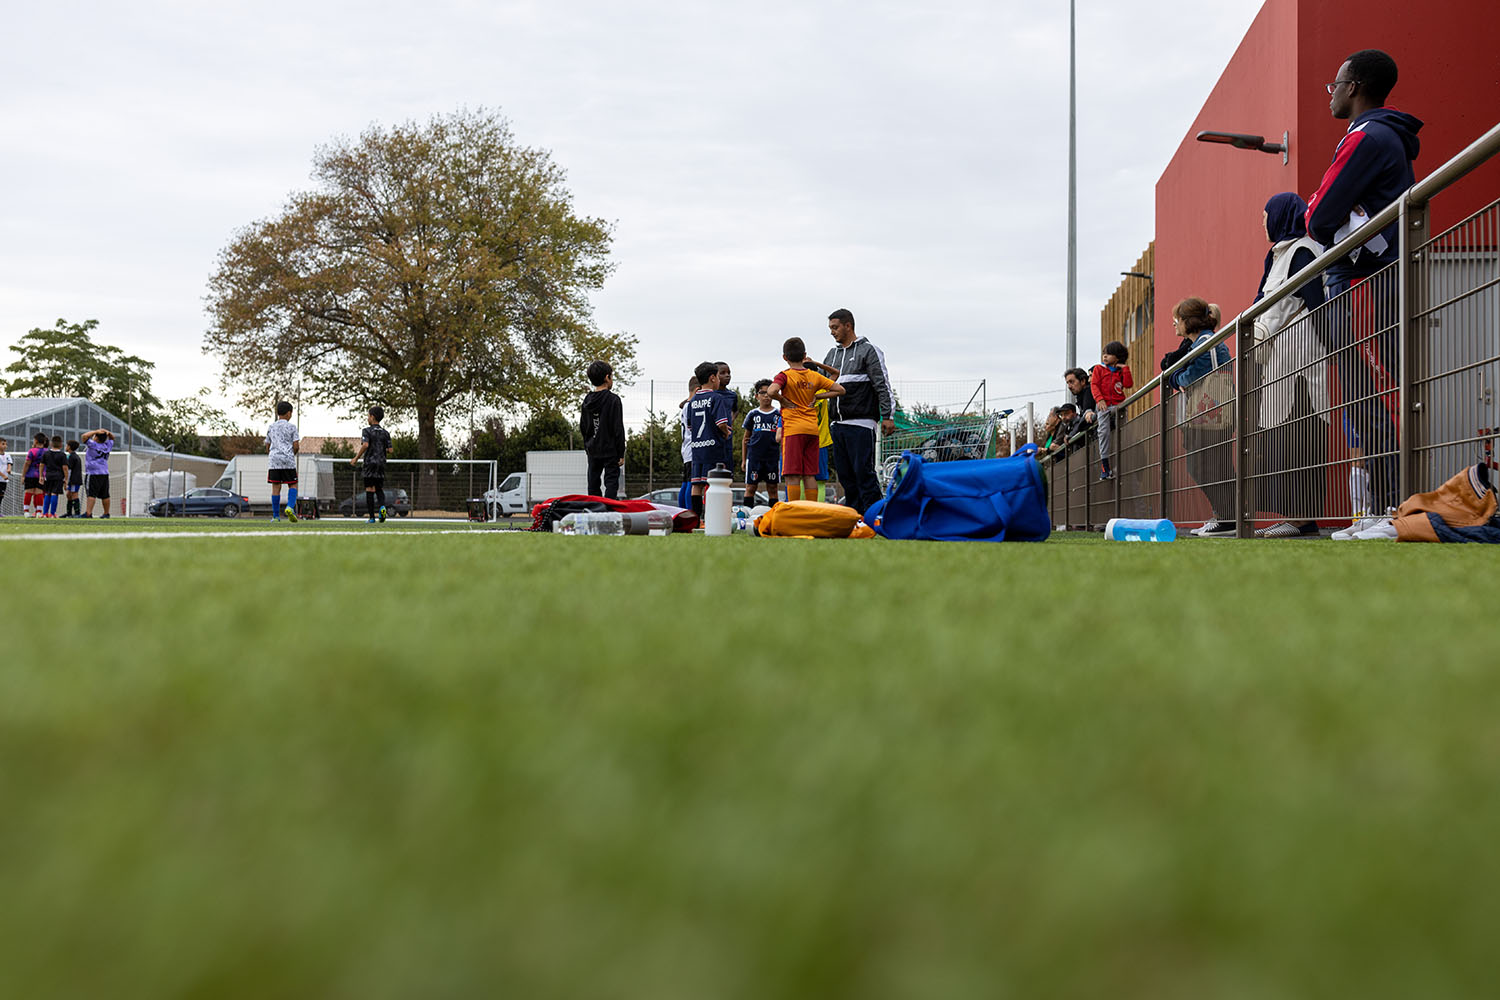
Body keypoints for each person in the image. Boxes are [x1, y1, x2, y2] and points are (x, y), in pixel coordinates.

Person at [1306, 48, 1422, 533]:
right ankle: (1382, 510)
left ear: (1353, 87)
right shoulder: (1377, 135)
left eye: (1334, 84)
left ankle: (1394, 512)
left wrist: (1330, 215)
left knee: (1374, 398)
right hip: (1363, 279)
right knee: (1367, 400)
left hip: (1362, 283)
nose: (1330, 93)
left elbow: (1317, 215)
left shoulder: (1367, 136)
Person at [1252, 192, 1329, 538]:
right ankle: (1295, 516)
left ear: (1281, 215)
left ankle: (1301, 517)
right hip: (1280, 359)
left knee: (1301, 429)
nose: (1262, 221)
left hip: (1300, 357)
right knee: (1283, 435)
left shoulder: (1301, 252)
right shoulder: (1279, 255)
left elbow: (1317, 303)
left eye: (1265, 214)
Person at [810, 308, 894, 515]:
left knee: (863, 473)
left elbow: (882, 384)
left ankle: (876, 516)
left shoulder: (869, 350)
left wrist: (888, 416)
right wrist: (806, 367)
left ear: (848, 325)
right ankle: (855, 517)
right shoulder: (832, 354)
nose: (832, 332)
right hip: (836, 425)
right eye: (830, 328)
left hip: (861, 422)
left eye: (835, 327)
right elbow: (819, 381)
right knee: (845, 476)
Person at [1166, 298, 1237, 537]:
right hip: (1212, 415)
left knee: (1207, 467)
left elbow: (1189, 377)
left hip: (1212, 417)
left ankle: (1228, 518)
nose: (1174, 324)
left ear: (1189, 322)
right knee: (1212, 466)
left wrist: (1174, 378)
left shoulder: (1205, 344)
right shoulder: (1205, 342)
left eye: (1178, 319)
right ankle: (1224, 515)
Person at [767, 337, 844, 503]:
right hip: (812, 431)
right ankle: (812, 511)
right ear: (804, 355)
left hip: (794, 430)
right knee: (810, 475)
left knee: (792, 474)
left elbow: (772, 391)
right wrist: (817, 395)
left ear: (784, 357)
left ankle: (794, 512)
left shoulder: (784, 376)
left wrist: (783, 401)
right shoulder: (814, 376)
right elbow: (840, 389)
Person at [684, 362, 731, 519]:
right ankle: (713, 518)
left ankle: (696, 519)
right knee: (713, 483)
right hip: (713, 448)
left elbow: (690, 425)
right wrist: (726, 432)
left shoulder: (692, 401)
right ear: (712, 378)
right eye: (718, 377)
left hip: (696, 448)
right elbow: (721, 423)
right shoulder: (716, 398)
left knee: (696, 485)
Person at [580, 359, 626, 500]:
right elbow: (618, 428)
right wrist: (621, 453)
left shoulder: (587, 401)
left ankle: (595, 510)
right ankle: (609, 510)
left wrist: (588, 444)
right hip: (610, 450)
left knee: (593, 482)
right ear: (607, 377)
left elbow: (583, 426)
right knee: (611, 482)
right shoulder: (613, 400)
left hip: (593, 449)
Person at [1089, 341, 1133, 480]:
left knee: (1122, 430)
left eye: (1109, 354)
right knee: (1104, 432)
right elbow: (1094, 385)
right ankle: (1105, 465)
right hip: (1104, 405)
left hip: (1118, 405)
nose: (1105, 357)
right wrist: (1099, 399)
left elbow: (1128, 384)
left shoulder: (1121, 371)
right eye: (1104, 354)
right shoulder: (1098, 369)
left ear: (1117, 357)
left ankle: (1122, 459)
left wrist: (1125, 369)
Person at [742, 379, 781, 506]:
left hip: (772, 458)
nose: (766, 395)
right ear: (756, 396)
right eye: (762, 392)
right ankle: (747, 516)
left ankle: (773, 517)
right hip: (754, 458)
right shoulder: (753, 414)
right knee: (751, 488)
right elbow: (745, 439)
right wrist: (744, 460)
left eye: (768, 392)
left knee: (772, 489)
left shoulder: (778, 414)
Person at [351, 406, 393, 523]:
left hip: (369, 464)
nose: (367, 418)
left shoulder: (367, 431)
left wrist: (356, 458)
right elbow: (390, 450)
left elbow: (365, 445)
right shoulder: (385, 433)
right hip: (381, 464)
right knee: (379, 489)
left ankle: (371, 518)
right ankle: (382, 507)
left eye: (368, 416)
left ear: (372, 417)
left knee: (369, 489)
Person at [266, 401, 300, 522]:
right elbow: (296, 446)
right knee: (293, 484)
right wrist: (291, 454)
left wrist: (272, 454)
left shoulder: (271, 427)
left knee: (276, 487)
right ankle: (290, 507)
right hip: (287, 458)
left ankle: (276, 516)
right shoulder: (292, 427)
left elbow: (267, 445)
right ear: (289, 413)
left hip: (274, 459)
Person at [81, 428, 115, 518]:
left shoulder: (93, 445)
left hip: (93, 473)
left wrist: (96, 431)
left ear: (96, 438)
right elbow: (112, 438)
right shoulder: (108, 445)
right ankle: (106, 513)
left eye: (95, 436)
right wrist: (107, 432)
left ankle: (88, 513)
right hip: (104, 473)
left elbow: (84, 436)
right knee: (105, 495)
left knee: (91, 494)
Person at [40, 435, 68, 518]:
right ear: (61, 445)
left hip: (48, 476)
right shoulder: (62, 455)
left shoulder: (46, 453)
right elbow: (65, 468)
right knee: (54, 493)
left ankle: (44, 513)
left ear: (51, 444)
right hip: (58, 476)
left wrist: (41, 475)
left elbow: (41, 465)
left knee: (47, 493)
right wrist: (66, 479)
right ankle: (52, 513)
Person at [23, 432, 48, 518]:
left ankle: (26, 512)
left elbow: (27, 463)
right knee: (39, 493)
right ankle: (38, 512)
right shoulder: (47, 452)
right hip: (42, 475)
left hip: (30, 474)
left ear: (36, 441)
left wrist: (23, 475)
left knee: (28, 492)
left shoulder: (32, 451)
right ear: (44, 442)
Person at [62, 440, 83, 517]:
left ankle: (77, 513)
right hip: (72, 480)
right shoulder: (72, 456)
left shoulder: (72, 457)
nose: (65, 446)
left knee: (74, 495)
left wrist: (66, 481)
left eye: (66, 445)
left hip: (74, 480)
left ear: (69, 447)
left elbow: (69, 470)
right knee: (68, 494)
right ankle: (69, 513)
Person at [0, 438, 10, 516]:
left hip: (3, 481)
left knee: (1, 496)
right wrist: (3, 475)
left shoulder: (7, 455)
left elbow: (9, 463)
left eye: (5, 444)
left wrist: (9, 469)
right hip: (2, 478)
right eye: (3, 444)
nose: (5, 446)